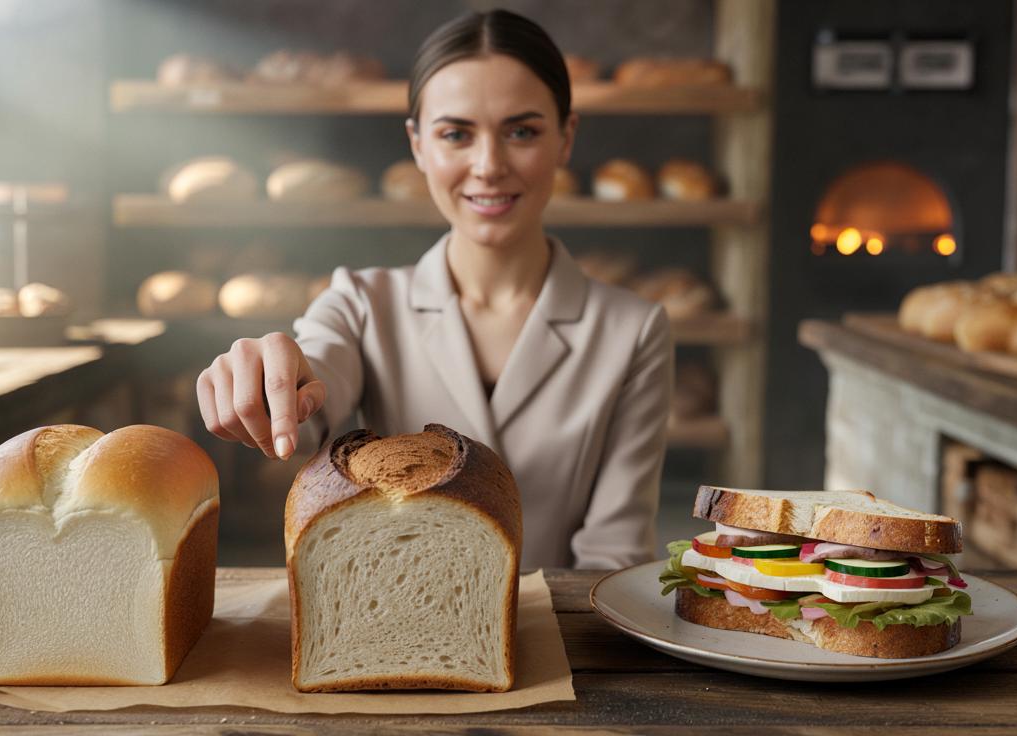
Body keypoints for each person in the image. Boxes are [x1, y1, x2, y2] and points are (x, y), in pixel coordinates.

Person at [197, 9, 673, 569]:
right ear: (418, 144)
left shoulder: (633, 330)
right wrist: (273, 380)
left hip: (559, 640)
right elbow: (313, 392)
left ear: (566, 139)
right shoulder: (360, 303)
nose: (489, 165)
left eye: (522, 131)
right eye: (456, 134)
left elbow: (614, 557)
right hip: (392, 630)